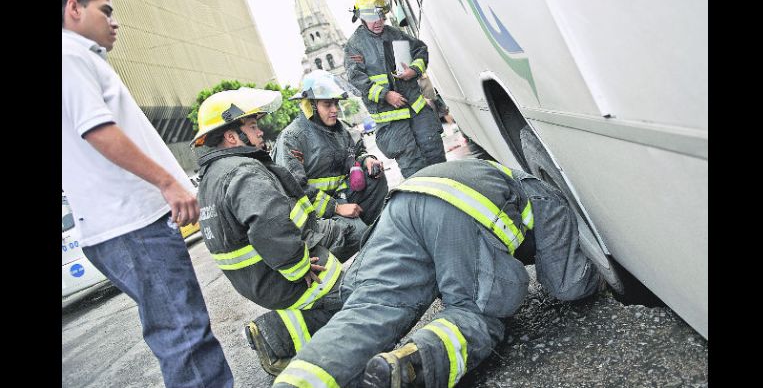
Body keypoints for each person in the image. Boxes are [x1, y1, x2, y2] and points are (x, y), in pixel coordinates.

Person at [273, 158, 601, 387]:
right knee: (477, 311)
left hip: (404, 202)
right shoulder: (550, 197)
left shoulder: (494, 170)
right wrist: (595, 278)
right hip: (457, 207)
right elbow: (567, 285)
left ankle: (297, 382)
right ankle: (414, 365)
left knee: (373, 306)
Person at [61, 0, 233, 388]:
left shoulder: (79, 59)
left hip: (126, 226)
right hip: (132, 225)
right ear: (73, 8)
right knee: (186, 338)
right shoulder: (70, 55)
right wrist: (168, 182)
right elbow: (98, 130)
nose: (114, 21)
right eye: (106, 10)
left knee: (182, 333)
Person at [191, 87, 369, 375]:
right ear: (232, 136)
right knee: (358, 302)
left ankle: (273, 334)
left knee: (346, 245)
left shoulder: (212, 176)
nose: (260, 132)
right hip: (279, 275)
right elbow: (268, 225)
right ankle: (284, 341)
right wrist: (298, 267)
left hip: (257, 278)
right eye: (252, 126)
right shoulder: (243, 171)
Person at [344, 0, 446, 179]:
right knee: (413, 167)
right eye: (372, 16)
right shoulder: (355, 45)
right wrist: (386, 95)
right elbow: (356, 80)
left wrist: (414, 70)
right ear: (361, 18)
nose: (378, 21)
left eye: (381, 15)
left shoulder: (395, 34)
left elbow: (420, 50)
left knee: (435, 153)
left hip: (416, 109)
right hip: (391, 122)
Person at [272, 69, 388, 226]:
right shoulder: (292, 138)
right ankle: (363, 236)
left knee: (375, 179)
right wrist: (337, 208)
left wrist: (367, 159)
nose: (335, 110)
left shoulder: (339, 129)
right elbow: (294, 189)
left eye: (336, 103)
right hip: (317, 212)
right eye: (328, 104)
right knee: (355, 232)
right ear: (311, 105)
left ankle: (377, 230)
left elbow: (355, 152)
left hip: (342, 195)